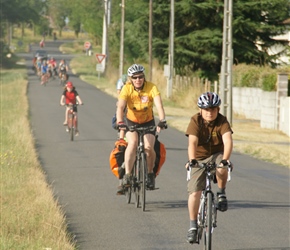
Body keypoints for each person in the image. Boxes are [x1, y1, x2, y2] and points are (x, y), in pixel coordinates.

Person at [185, 92, 233, 244]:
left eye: (213, 109)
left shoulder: (222, 121)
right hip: (198, 157)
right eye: (206, 109)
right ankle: (193, 226)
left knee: (222, 167)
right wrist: (192, 160)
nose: (209, 112)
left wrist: (225, 160)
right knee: (194, 193)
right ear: (200, 110)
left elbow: (228, 141)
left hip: (217, 154)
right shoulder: (195, 120)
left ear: (218, 109)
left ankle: (221, 193)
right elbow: (192, 142)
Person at [116, 64, 167, 192]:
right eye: (135, 77)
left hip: (147, 121)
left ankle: (150, 174)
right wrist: (120, 121)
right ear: (130, 79)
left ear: (144, 77)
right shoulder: (127, 89)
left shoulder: (151, 87)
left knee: (149, 147)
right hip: (131, 121)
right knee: (132, 143)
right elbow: (120, 107)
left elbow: (159, 105)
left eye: (140, 77)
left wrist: (162, 120)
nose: (138, 80)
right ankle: (128, 175)